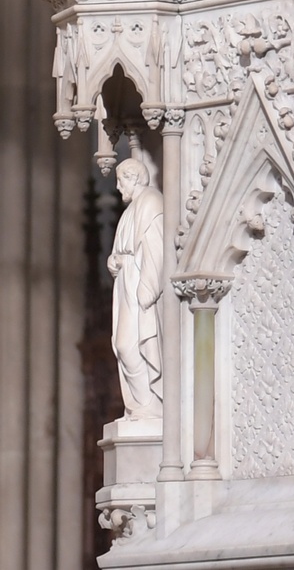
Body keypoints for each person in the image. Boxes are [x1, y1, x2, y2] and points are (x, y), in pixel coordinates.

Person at [108, 158, 164, 420]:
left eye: (121, 181)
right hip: (125, 284)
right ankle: (142, 403)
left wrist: (148, 289)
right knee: (122, 346)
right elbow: (121, 252)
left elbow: (155, 248)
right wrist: (114, 262)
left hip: (138, 287)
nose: (118, 187)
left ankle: (150, 404)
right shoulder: (130, 211)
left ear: (134, 178)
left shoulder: (151, 202)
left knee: (132, 345)